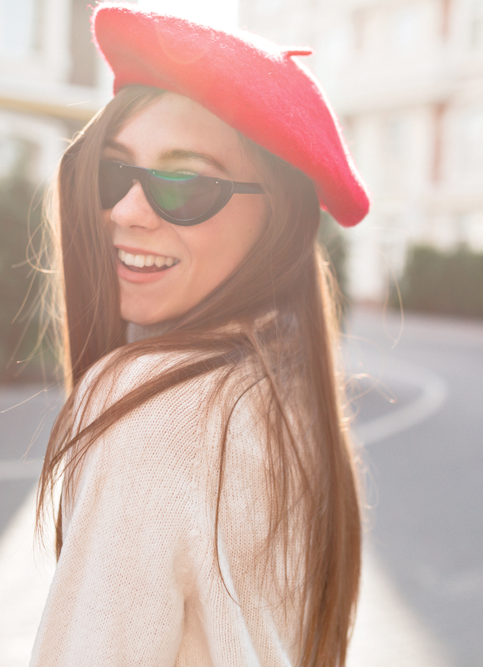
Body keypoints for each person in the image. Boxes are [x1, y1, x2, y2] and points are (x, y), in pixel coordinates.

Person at [32, 4, 370, 666]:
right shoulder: (284, 382)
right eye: (112, 172)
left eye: (182, 184)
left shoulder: (151, 401)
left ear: (277, 217)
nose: (124, 212)